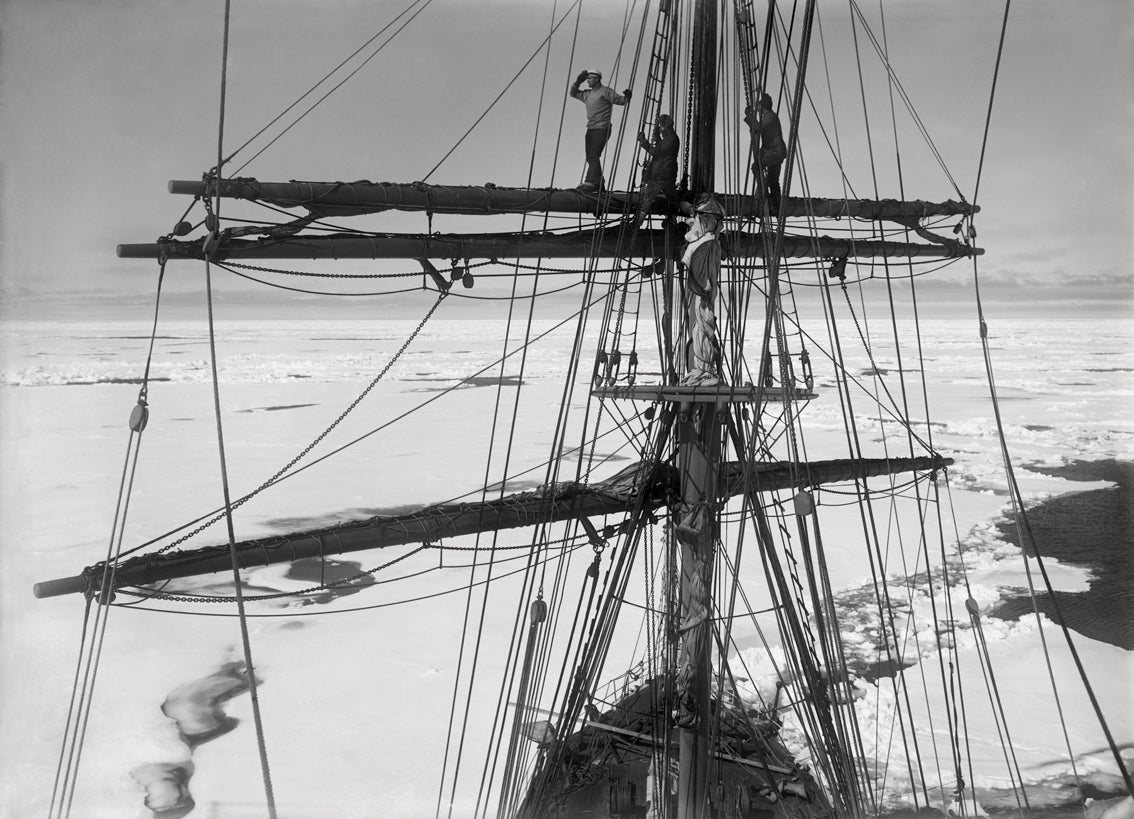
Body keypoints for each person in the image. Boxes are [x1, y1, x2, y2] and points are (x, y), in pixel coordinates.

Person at [569, 70, 632, 192]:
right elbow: (573, 93)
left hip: (602, 128)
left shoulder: (605, 91)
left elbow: (622, 101)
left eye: (590, 78)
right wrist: (578, 81)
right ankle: (599, 184)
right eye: (586, 78)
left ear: (597, 79)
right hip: (591, 128)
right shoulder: (587, 94)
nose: (587, 80)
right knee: (590, 158)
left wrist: (628, 96)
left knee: (593, 156)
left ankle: (590, 181)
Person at [744, 92, 787, 214]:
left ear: (763, 106)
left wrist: (749, 116)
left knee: (756, 167)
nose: (757, 108)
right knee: (774, 181)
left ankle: (762, 192)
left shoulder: (770, 117)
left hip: (774, 152)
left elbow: (758, 128)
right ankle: (777, 208)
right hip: (777, 152)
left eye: (758, 106)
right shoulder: (770, 116)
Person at [634, 113, 679, 225]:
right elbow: (661, 151)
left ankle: (636, 226)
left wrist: (644, 142)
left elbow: (656, 152)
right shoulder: (668, 139)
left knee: (646, 201)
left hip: (662, 177)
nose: (660, 129)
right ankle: (687, 214)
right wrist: (658, 138)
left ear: (665, 127)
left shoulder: (671, 140)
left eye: (661, 127)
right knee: (674, 201)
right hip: (665, 176)